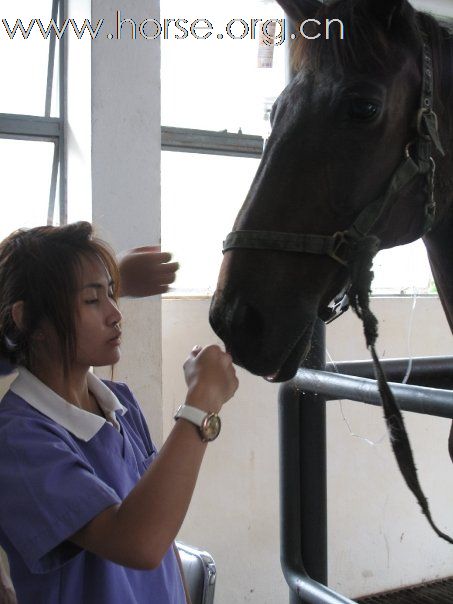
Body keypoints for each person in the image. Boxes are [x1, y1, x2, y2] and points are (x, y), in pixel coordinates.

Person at [0, 222, 238, 604]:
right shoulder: (18, 439)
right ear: (27, 319)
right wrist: (201, 404)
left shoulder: (120, 401)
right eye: (92, 301)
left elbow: (162, 539)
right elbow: (137, 542)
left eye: (112, 294)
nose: (115, 314)